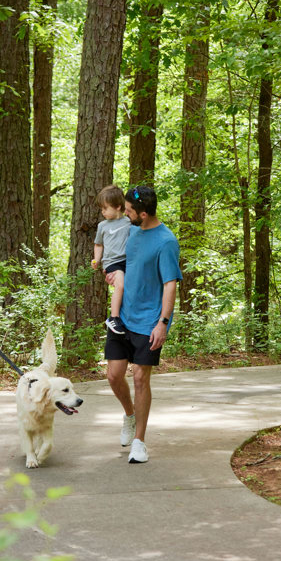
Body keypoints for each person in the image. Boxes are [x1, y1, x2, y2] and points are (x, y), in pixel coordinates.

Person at [104, 185, 181, 464]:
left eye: (129, 211)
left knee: (139, 378)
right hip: (123, 317)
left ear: (144, 214)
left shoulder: (166, 241)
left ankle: (140, 441)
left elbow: (170, 284)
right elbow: (122, 262)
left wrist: (162, 323)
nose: (125, 213)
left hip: (149, 321)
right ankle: (129, 414)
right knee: (113, 376)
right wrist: (112, 274)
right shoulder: (132, 230)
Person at [92, 185, 131, 335]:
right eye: (101, 208)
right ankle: (114, 317)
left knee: (128, 288)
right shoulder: (102, 226)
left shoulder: (128, 222)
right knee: (119, 285)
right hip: (112, 262)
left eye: (105, 208)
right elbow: (98, 244)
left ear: (118, 207)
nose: (102, 212)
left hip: (128, 261)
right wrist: (97, 259)